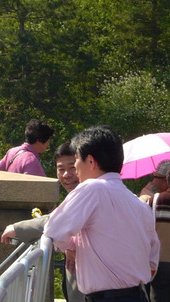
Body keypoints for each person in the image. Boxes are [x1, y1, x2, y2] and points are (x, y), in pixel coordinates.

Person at [44, 125, 159, 302]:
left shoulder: (92, 188)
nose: (75, 167)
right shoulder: (138, 203)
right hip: (138, 295)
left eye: (76, 161)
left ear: (90, 161)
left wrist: (71, 248)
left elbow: (54, 229)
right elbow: (152, 262)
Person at [0, 142, 84, 302]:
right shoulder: (75, 195)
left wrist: (18, 228)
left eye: (72, 167)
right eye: (61, 169)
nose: (66, 174)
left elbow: (60, 218)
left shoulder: (88, 193)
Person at [138, 160, 170, 302]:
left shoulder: (154, 200)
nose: (153, 182)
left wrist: (144, 196)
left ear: (167, 180)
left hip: (160, 266)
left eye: (157, 178)